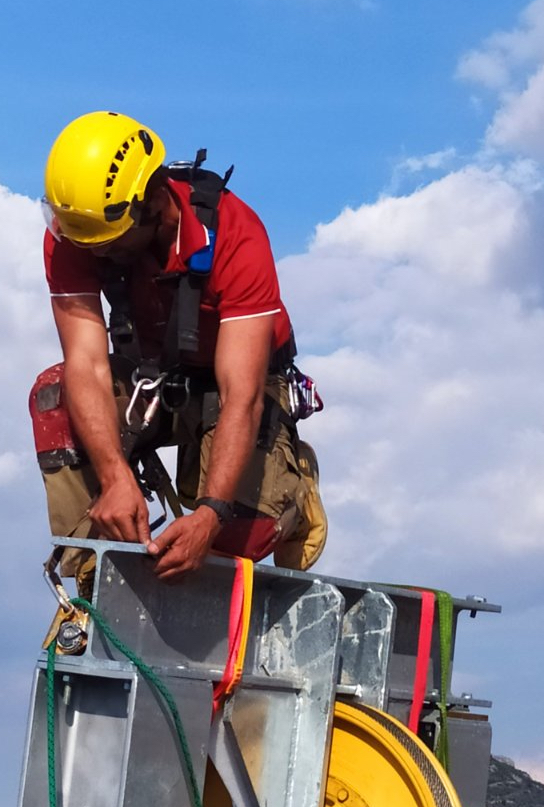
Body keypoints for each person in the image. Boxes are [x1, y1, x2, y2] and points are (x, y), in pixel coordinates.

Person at [30, 110, 325, 590]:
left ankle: (290, 492)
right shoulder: (77, 233)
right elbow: (86, 363)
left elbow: (242, 395)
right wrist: (114, 478)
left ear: (151, 200)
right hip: (155, 380)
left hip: (237, 386)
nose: (95, 253)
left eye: (109, 242)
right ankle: (94, 575)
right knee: (53, 393)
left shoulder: (236, 234)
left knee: (227, 541)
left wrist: (210, 514)